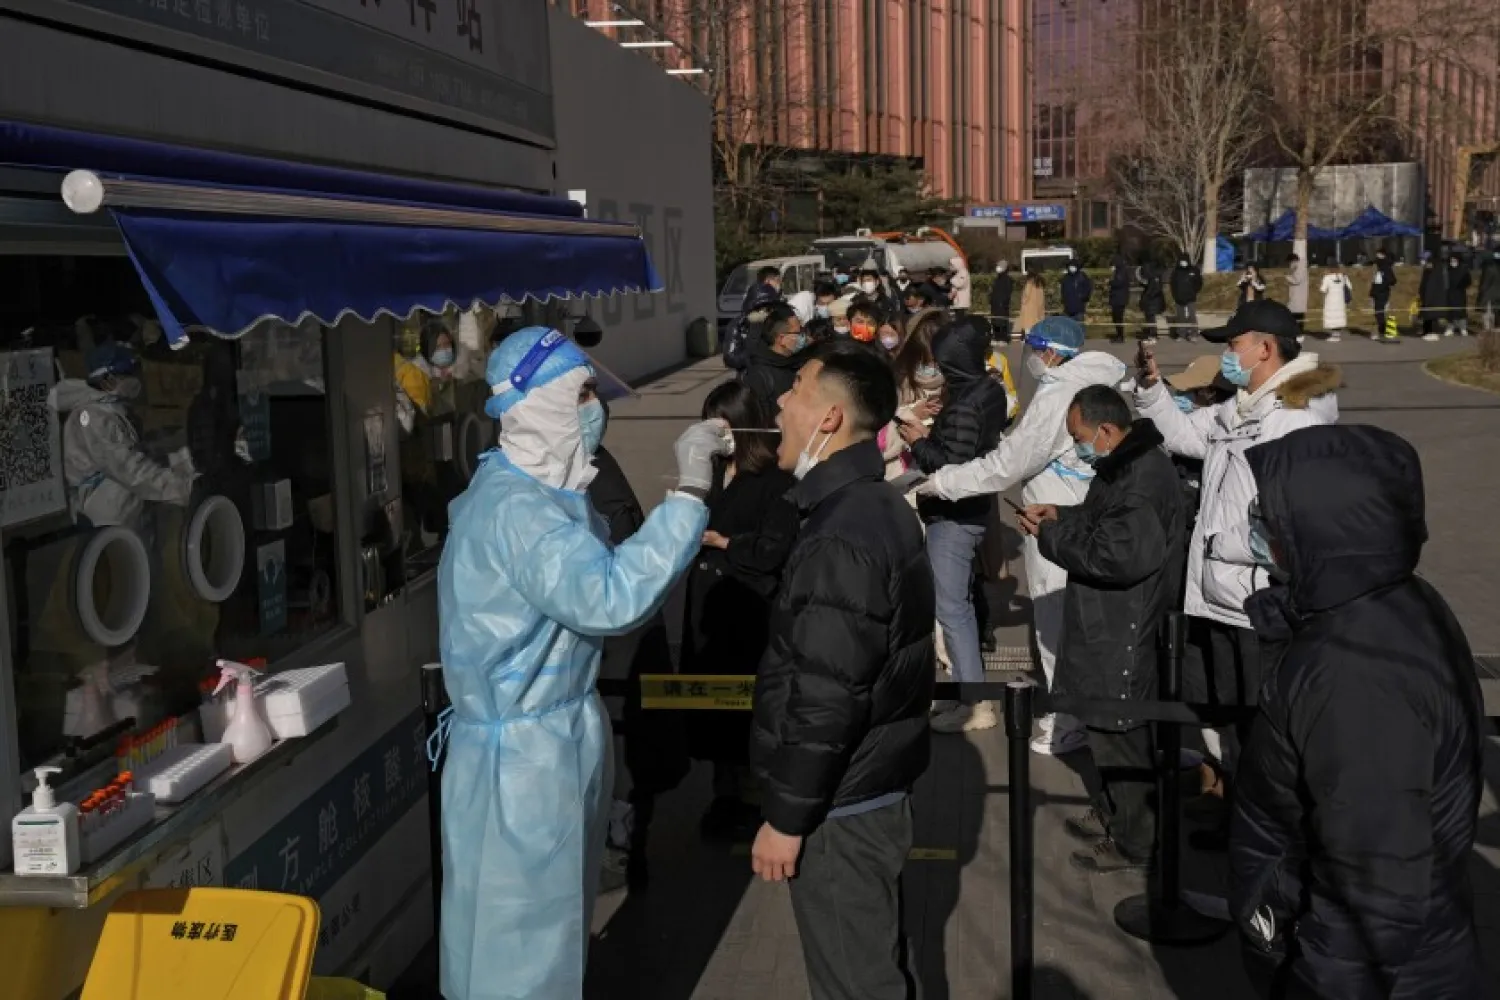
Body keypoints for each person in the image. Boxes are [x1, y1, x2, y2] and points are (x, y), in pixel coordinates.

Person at [434, 326, 730, 1000]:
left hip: (546, 738)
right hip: (525, 760)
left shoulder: (535, 494)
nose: (596, 408)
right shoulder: (518, 512)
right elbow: (610, 596)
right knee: (522, 950)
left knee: (537, 931)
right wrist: (686, 495)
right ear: (539, 404)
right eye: (584, 393)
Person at [1230, 424, 1484, 1000]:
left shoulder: (1358, 674)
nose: (1256, 524)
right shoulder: (1381, 606)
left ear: (1322, 528)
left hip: (1374, 972)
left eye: (1270, 513)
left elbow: (1372, 900)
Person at [751, 340, 933, 1000]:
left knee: (855, 982)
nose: (778, 403)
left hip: (842, 804)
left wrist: (787, 818)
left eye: (796, 390)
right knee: (875, 961)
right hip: (868, 786)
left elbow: (827, 695)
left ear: (829, 418)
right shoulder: (870, 503)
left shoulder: (842, 531)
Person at [1133, 301, 1340, 835]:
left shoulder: (1295, 416)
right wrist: (1152, 388)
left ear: (1265, 348)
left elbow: (1294, 522)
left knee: (1260, 727)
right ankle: (1238, 817)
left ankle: (1265, 837)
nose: (1225, 354)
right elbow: (1184, 434)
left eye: (1232, 344)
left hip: (1256, 603)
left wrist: (1221, 543)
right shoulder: (1246, 406)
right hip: (1221, 598)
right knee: (1228, 717)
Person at [917, 317, 1127, 755]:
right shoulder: (1090, 380)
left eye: (1032, 346)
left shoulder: (1057, 395)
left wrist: (943, 482)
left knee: (1054, 623)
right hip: (1083, 514)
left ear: (1051, 351)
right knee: (1082, 625)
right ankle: (1081, 712)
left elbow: (1009, 464)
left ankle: (1067, 720)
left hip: (1057, 520)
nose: (1028, 355)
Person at [1019, 386, 1185, 872]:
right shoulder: (1123, 466)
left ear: (1108, 431)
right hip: (1106, 623)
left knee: (1121, 733)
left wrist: (1051, 536)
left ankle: (1136, 840)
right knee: (1104, 727)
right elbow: (1103, 524)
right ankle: (1115, 812)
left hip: (1123, 627)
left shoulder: (1141, 479)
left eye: (1081, 437)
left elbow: (1115, 556)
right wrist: (1063, 515)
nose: (1078, 447)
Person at [683, 381, 799, 841]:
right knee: (712, 711)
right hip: (709, 602)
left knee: (748, 709)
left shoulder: (776, 479)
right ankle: (723, 794)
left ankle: (755, 797)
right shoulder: (708, 471)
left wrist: (724, 542)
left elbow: (776, 547)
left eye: (722, 422)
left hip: (749, 607)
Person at [898, 317, 1012, 733]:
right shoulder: (988, 390)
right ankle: (966, 694)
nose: (939, 370)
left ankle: (975, 703)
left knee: (952, 609)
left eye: (943, 362)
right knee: (957, 605)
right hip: (975, 511)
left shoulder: (965, 403)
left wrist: (916, 439)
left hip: (954, 516)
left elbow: (950, 466)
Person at [587, 412, 684, 891]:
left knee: (620, 741)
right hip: (617, 642)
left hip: (614, 646)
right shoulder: (593, 468)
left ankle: (620, 842)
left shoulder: (593, 474)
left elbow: (624, 558)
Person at [51, 341, 196, 530]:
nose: (136, 379)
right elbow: (130, 470)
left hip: (120, 514)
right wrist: (181, 488)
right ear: (107, 381)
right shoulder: (92, 418)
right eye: (127, 375)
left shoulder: (110, 411)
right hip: (103, 520)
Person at [742, 302, 806, 415]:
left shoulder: (798, 364)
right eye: (797, 333)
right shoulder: (758, 376)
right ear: (781, 338)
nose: (802, 337)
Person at [724, 265, 784, 371]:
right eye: (760, 308)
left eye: (768, 307)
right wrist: (752, 352)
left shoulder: (780, 320)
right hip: (750, 377)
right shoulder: (739, 325)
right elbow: (731, 358)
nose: (764, 311)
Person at [1170, 254, 1204, 342]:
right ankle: (1181, 334)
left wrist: (1194, 291)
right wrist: (1175, 295)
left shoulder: (1194, 270)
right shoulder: (1176, 271)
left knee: (1192, 316)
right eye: (1181, 260)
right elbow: (1172, 284)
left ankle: (1194, 333)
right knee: (1181, 317)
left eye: (1184, 260)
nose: (1183, 262)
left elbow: (1199, 283)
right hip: (1179, 298)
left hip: (1191, 297)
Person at [1371, 248, 1399, 341]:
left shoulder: (1386, 267)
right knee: (1378, 313)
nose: (1377, 257)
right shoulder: (1378, 267)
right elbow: (1375, 281)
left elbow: (1393, 280)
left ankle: (1383, 331)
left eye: (1378, 255)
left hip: (1382, 293)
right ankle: (1381, 330)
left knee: (1380, 313)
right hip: (1376, 292)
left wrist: (1385, 284)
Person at [1318, 264, 1351, 342]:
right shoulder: (1343, 277)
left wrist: (1319, 284)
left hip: (1330, 300)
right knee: (1338, 316)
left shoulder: (1327, 278)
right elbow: (1350, 286)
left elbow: (1323, 289)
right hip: (1340, 300)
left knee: (1332, 317)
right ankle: (1337, 334)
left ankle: (1334, 335)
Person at [1441, 252, 1471, 338]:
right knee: (1450, 311)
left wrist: (1463, 285)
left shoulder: (1464, 269)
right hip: (1450, 292)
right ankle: (1450, 328)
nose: (1452, 262)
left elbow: (1468, 280)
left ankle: (1463, 328)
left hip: (1460, 292)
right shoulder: (1447, 269)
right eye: (1451, 260)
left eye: (1454, 260)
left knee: (1461, 311)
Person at [1418, 252, 1446, 341]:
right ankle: (1426, 331)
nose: (1423, 263)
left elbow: (1433, 286)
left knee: (1431, 315)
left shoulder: (1436, 271)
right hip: (1426, 298)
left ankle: (1431, 333)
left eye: (1424, 261)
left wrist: (1428, 297)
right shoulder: (1426, 271)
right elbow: (1423, 284)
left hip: (1433, 298)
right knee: (1426, 316)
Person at [1139, 260, 1166, 344]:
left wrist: (1147, 295)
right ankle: (1151, 335)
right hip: (1151, 300)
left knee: (1151, 319)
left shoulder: (1154, 277)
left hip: (1152, 301)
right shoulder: (1152, 276)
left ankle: (1153, 336)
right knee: (1149, 319)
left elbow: (1155, 289)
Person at [990, 259, 1016, 343]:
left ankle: (1003, 338)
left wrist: (1003, 301)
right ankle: (997, 337)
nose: (997, 268)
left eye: (1000, 266)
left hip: (1002, 304)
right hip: (995, 304)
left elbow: (1007, 292)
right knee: (995, 321)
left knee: (1002, 321)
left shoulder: (1007, 279)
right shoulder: (997, 279)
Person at [1478, 247, 1500, 333]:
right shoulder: (1490, 267)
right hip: (1492, 294)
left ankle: (1490, 330)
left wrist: (1482, 291)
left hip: (1490, 294)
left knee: (1490, 313)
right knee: (1492, 313)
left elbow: (1484, 283)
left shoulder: (1489, 267)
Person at [1018, 271, 1047, 335]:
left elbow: (1025, 298)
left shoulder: (1029, 284)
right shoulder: (1040, 285)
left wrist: (1022, 299)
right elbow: (1042, 300)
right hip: (1038, 312)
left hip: (1029, 311)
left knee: (1028, 330)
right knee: (1036, 331)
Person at [1284, 254, 1308, 333]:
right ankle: (1296, 330)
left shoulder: (1300, 268)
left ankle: (1299, 331)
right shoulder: (1297, 268)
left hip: (1298, 295)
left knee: (1297, 314)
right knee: (1295, 313)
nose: (1289, 265)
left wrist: (1287, 277)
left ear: (1293, 261)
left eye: (1289, 263)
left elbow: (1297, 280)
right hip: (1296, 295)